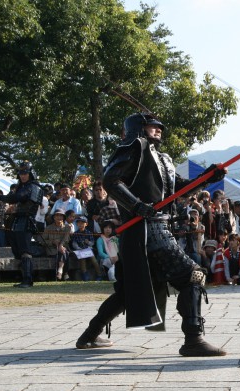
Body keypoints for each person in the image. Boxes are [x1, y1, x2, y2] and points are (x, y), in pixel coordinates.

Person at [75, 112, 226, 357]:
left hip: (154, 229)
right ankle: (193, 338)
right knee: (193, 276)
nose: (158, 129)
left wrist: (206, 178)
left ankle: (89, 335)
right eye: (151, 125)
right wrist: (136, 206)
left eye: (159, 126)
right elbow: (111, 180)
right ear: (138, 127)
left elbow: (179, 189)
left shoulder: (163, 158)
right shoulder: (134, 147)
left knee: (128, 291)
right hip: (146, 229)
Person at [0, 161, 44, 288]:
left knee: (25, 251)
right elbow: (12, 197)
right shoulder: (21, 186)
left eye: (25, 173)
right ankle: (24, 277)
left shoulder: (33, 186)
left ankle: (28, 280)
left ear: (30, 173)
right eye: (21, 173)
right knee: (17, 250)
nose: (23, 175)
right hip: (17, 220)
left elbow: (16, 198)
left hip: (27, 220)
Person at [41, 208, 70, 281]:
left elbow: (66, 238)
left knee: (63, 251)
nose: (59, 217)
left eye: (61, 215)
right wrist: (52, 242)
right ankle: (65, 273)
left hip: (63, 248)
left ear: (63, 217)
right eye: (57, 215)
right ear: (54, 217)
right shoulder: (48, 228)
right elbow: (42, 241)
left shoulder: (67, 227)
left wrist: (60, 245)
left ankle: (60, 271)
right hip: (51, 249)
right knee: (64, 253)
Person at [70, 216, 102, 281]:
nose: (80, 224)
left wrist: (88, 242)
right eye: (79, 223)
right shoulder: (75, 233)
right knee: (82, 260)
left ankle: (99, 274)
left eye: (82, 223)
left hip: (88, 249)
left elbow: (92, 243)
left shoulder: (89, 233)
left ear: (86, 224)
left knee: (94, 261)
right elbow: (74, 243)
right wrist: (78, 248)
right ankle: (84, 274)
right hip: (80, 250)